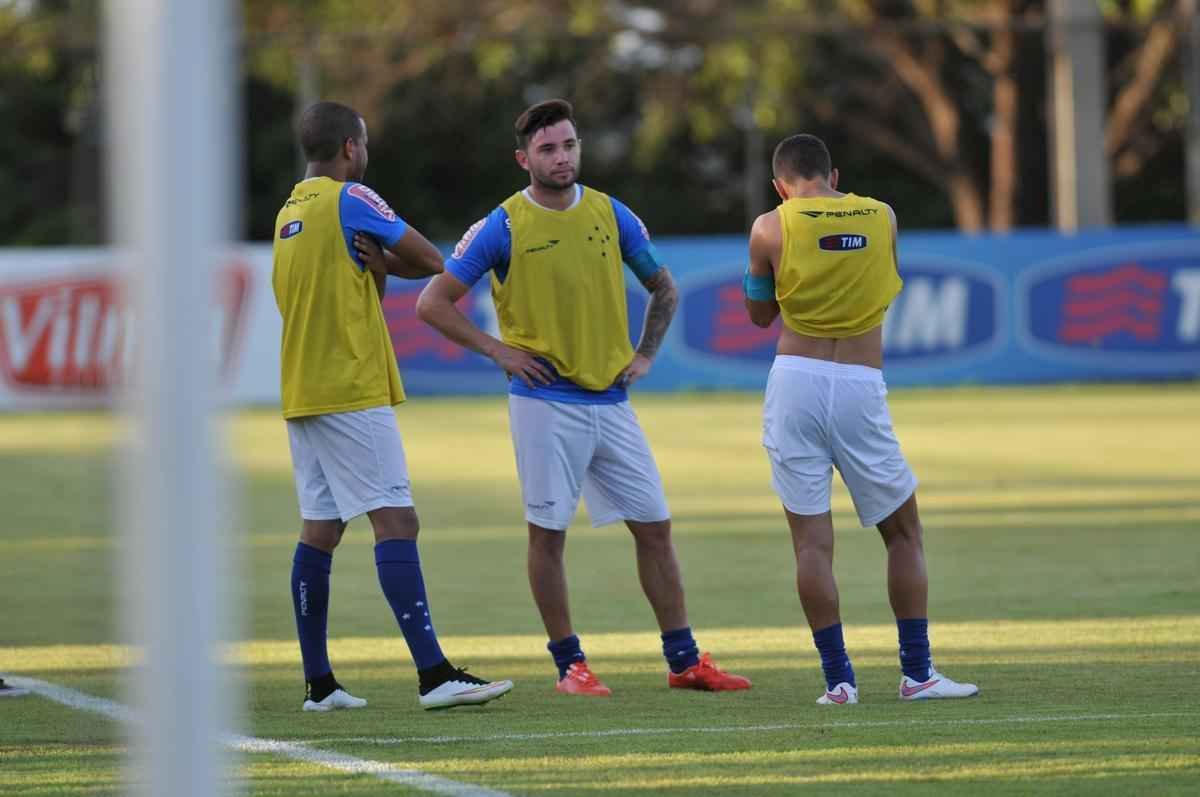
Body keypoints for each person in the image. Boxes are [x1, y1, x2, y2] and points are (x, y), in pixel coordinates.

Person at [415, 99, 750, 696]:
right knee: (548, 535)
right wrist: (500, 351)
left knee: (655, 528)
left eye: (569, 145)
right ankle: (570, 666)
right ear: (524, 159)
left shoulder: (612, 213)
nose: (562, 156)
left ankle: (684, 661)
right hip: (544, 404)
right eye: (548, 149)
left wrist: (645, 353)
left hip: (612, 404)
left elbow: (663, 287)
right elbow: (431, 303)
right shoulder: (503, 226)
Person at [272, 100, 512, 712]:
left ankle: (318, 685)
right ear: (351, 147)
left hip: (303, 389)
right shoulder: (353, 198)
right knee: (397, 523)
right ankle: (435, 675)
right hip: (349, 387)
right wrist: (386, 260)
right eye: (366, 143)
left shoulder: (287, 213)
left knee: (320, 531)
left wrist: (375, 267)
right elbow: (434, 260)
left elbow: (360, 285)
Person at [744, 133, 978, 704]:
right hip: (859, 381)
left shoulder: (769, 227)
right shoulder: (883, 216)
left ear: (781, 185)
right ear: (835, 173)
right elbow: (883, 284)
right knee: (903, 532)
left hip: (794, 381)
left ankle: (839, 682)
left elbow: (758, 314)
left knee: (811, 546)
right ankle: (917, 673)